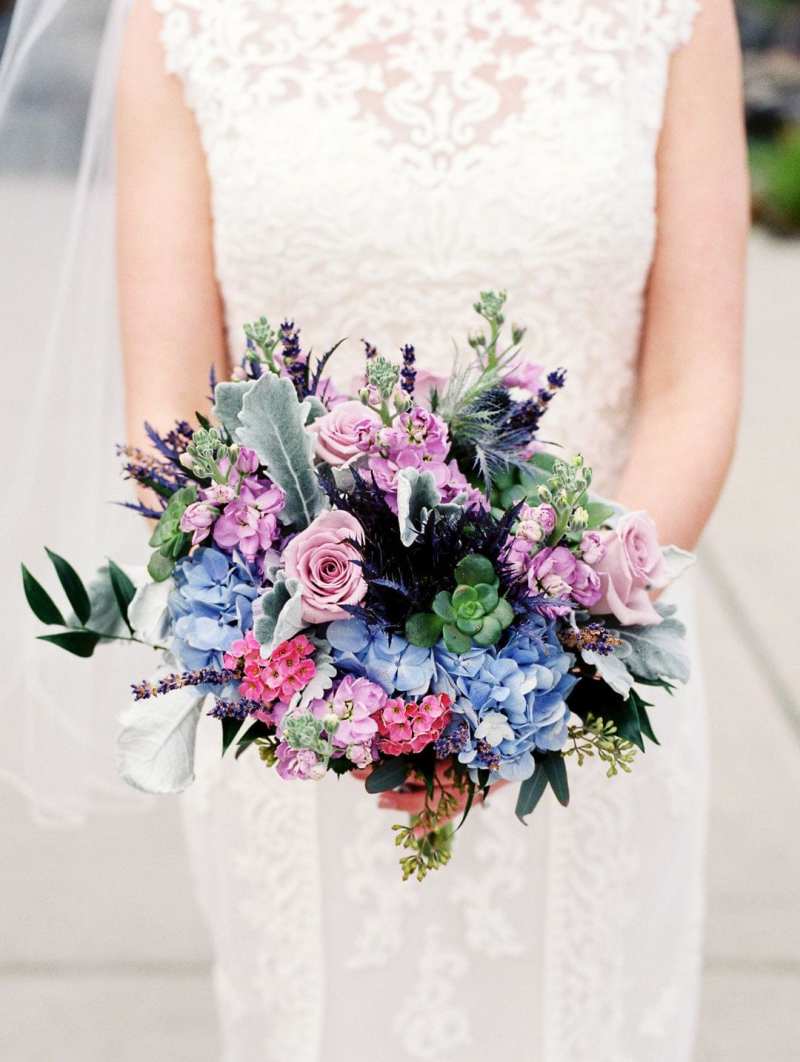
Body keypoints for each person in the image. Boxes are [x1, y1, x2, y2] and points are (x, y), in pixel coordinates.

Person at [115, 2, 747, 1059]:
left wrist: (546, 655)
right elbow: (172, 408)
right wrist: (339, 696)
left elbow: (696, 384)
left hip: (591, 691)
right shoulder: (178, 16)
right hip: (300, 718)